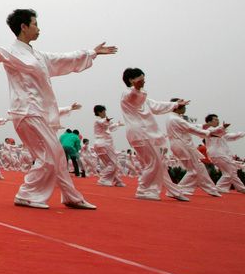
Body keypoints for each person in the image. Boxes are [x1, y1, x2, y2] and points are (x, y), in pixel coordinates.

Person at [0, 10, 115, 209]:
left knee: (55, 155)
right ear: (24, 27)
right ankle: (28, 194)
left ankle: (71, 196)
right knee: (51, 155)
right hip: (27, 111)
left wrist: (92, 52)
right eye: (35, 24)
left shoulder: (39, 56)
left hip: (38, 112)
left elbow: (64, 59)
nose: (38, 28)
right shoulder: (13, 52)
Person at [119, 68, 190, 201]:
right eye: (141, 79)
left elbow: (157, 106)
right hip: (139, 133)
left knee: (158, 164)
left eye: (143, 79)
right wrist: (135, 87)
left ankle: (174, 191)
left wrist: (175, 104)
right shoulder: (127, 94)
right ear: (131, 80)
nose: (143, 81)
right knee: (154, 163)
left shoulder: (143, 98)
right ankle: (143, 190)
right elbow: (133, 96)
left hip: (145, 133)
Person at [166, 101, 221, 197]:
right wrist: (208, 133)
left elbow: (192, 126)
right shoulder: (176, 119)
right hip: (183, 145)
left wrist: (207, 125)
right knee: (193, 171)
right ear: (177, 107)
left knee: (200, 167)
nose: (185, 108)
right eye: (183, 106)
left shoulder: (175, 118)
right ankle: (176, 190)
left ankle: (210, 189)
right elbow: (191, 128)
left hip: (182, 145)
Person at [203, 115, 245, 194]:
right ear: (209, 122)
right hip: (217, 154)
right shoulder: (209, 130)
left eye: (218, 119)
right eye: (215, 119)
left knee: (230, 171)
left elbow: (231, 136)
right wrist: (222, 127)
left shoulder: (220, 133)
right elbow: (216, 131)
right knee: (230, 171)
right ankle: (220, 188)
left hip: (220, 154)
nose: (217, 121)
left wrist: (242, 133)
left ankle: (237, 188)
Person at [91, 105, 125, 187]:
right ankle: (103, 179)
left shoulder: (101, 122)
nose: (105, 113)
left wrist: (117, 124)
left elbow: (109, 127)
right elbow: (104, 123)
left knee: (110, 164)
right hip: (104, 144)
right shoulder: (98, 121)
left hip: (100, 145)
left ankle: (117, 181)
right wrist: (107, 120)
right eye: (104, 111)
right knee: (113, 164)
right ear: (99, 112)